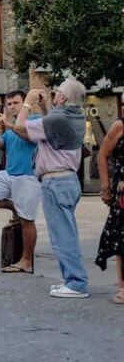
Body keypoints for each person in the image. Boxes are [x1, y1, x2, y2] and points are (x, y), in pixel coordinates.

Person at [12, 81, 89, 298]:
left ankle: (76, 283)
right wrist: (45, 107)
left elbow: (20, 127)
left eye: (57, 93)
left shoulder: (59, 118)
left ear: (63, 98)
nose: (54, 95)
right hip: (68, 180)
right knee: (67, 232)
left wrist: (28, 103)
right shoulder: (75, 115)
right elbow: (50, 127)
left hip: (55, 181)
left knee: (62, 235)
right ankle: (71, 280)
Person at [0, 90, 41, 273]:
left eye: (16, 103)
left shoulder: (35, 120)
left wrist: (10, 125)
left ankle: (26, 260)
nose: (12, 106)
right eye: (9, 104)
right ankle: (12, 206)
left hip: (28, 176)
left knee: (27, 220)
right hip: (9, 175)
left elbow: (31, 137)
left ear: (24, 104)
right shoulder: (11, 129)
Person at [95, 115, 124, 304]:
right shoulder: (120, 126)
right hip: (122, 193)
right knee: (122, 239)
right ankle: (122, 285)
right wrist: (106, 186)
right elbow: (102, 155)